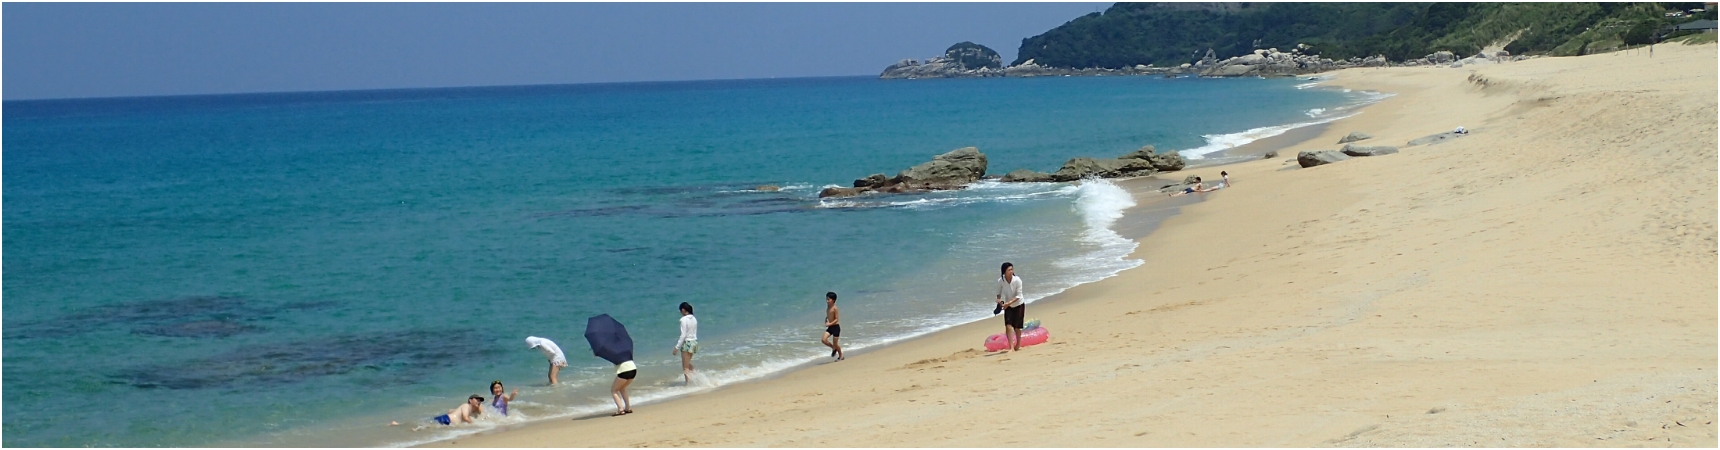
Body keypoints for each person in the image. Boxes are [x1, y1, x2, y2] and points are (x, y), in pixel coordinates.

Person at [994, 262, 1026, 352]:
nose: (1011, 271)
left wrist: (1008, 303)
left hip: (1019, 304)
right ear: (1004, 271)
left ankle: (1018, 344)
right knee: (1008, 325)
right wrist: (998, 300)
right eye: (1009, 270)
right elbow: (998, 293)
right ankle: (1011, 347)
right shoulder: (1001, 281)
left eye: (1012, 269)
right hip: (1008, 305)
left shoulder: (1017, 280)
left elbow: (1019, 295)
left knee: (1017, 327)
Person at [672, 302, 700, 385]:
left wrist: (677, 347)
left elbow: (683, 335)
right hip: (694, 342)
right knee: (687, 364)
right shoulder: (694, 319)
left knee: (685, 367)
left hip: (687, 343)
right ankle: (698, 376)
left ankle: (688, 383)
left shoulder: (684, 320)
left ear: (683, 310)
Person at [822, 292, 843, 361]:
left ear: (833, 300)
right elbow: (828, 316)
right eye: (826, 299)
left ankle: (841, 356)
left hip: (836, 327)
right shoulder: (828, 307)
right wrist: (826, 320)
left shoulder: (835, 308)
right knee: (824, 340)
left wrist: (829, 324)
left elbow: (837, 319)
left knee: (836, 344)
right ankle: (833, 348)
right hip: (830, 327)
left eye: (829, 299)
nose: (827, 300)